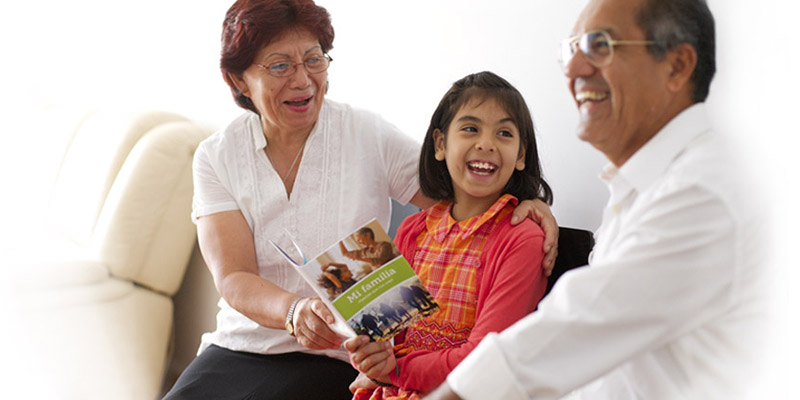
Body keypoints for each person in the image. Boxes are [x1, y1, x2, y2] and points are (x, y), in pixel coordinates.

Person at [163, 1, 559, 399]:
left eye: (314, 60)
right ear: (239, 79)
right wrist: (294, 311)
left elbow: (463, 189)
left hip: (342, 354)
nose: (303, 81)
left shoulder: (367, 134)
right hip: (242, 344)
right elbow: (233, 276)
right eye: (280, 66)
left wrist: (528, 202)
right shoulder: (217, 156)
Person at [426, 0, 766, 399]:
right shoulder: (639, 188)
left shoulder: (701, 193)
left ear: (676, 66)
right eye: (571, 51)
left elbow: (561, 336)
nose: (572, 70)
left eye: (600, 45)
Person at [344, 71, 552, 400]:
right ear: (441, 144)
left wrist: (395, 370)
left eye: (504, 133)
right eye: (470, 128)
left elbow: (482, 360)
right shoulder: (413, 230)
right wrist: (370, 357)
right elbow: (384, 336)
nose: (486, 143)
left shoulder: (522, 238)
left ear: (522, 155)